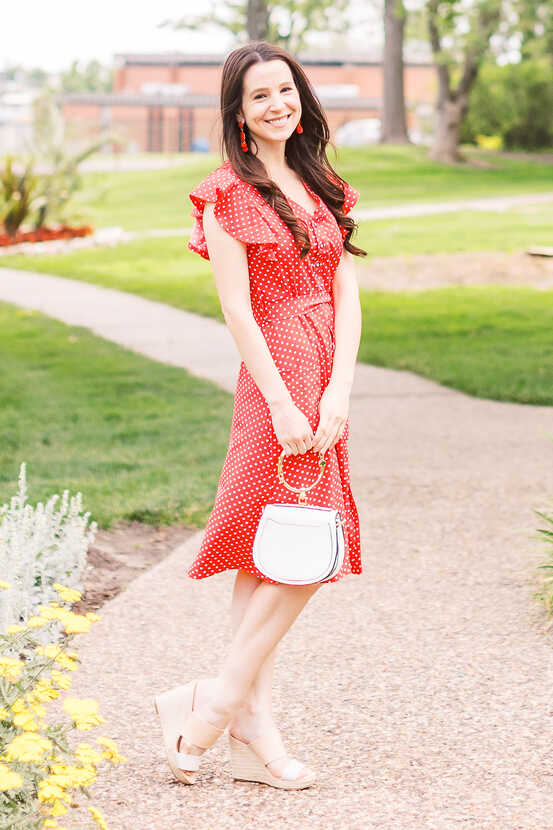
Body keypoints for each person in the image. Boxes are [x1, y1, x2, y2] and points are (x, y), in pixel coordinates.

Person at [154, 40, 366, 791]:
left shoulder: (324, 183)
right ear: (238, 115)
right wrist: (282, 401)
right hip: (273, 373)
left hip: (323, 371)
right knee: (289, 548)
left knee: (279, 550)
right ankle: (225, 711)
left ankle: (235, 716)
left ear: (301, 97)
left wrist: (338, 390)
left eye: (285, 90)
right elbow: (238, 311)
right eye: (258, 97)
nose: (277, 104)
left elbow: (346, 295)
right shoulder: (225, 194)